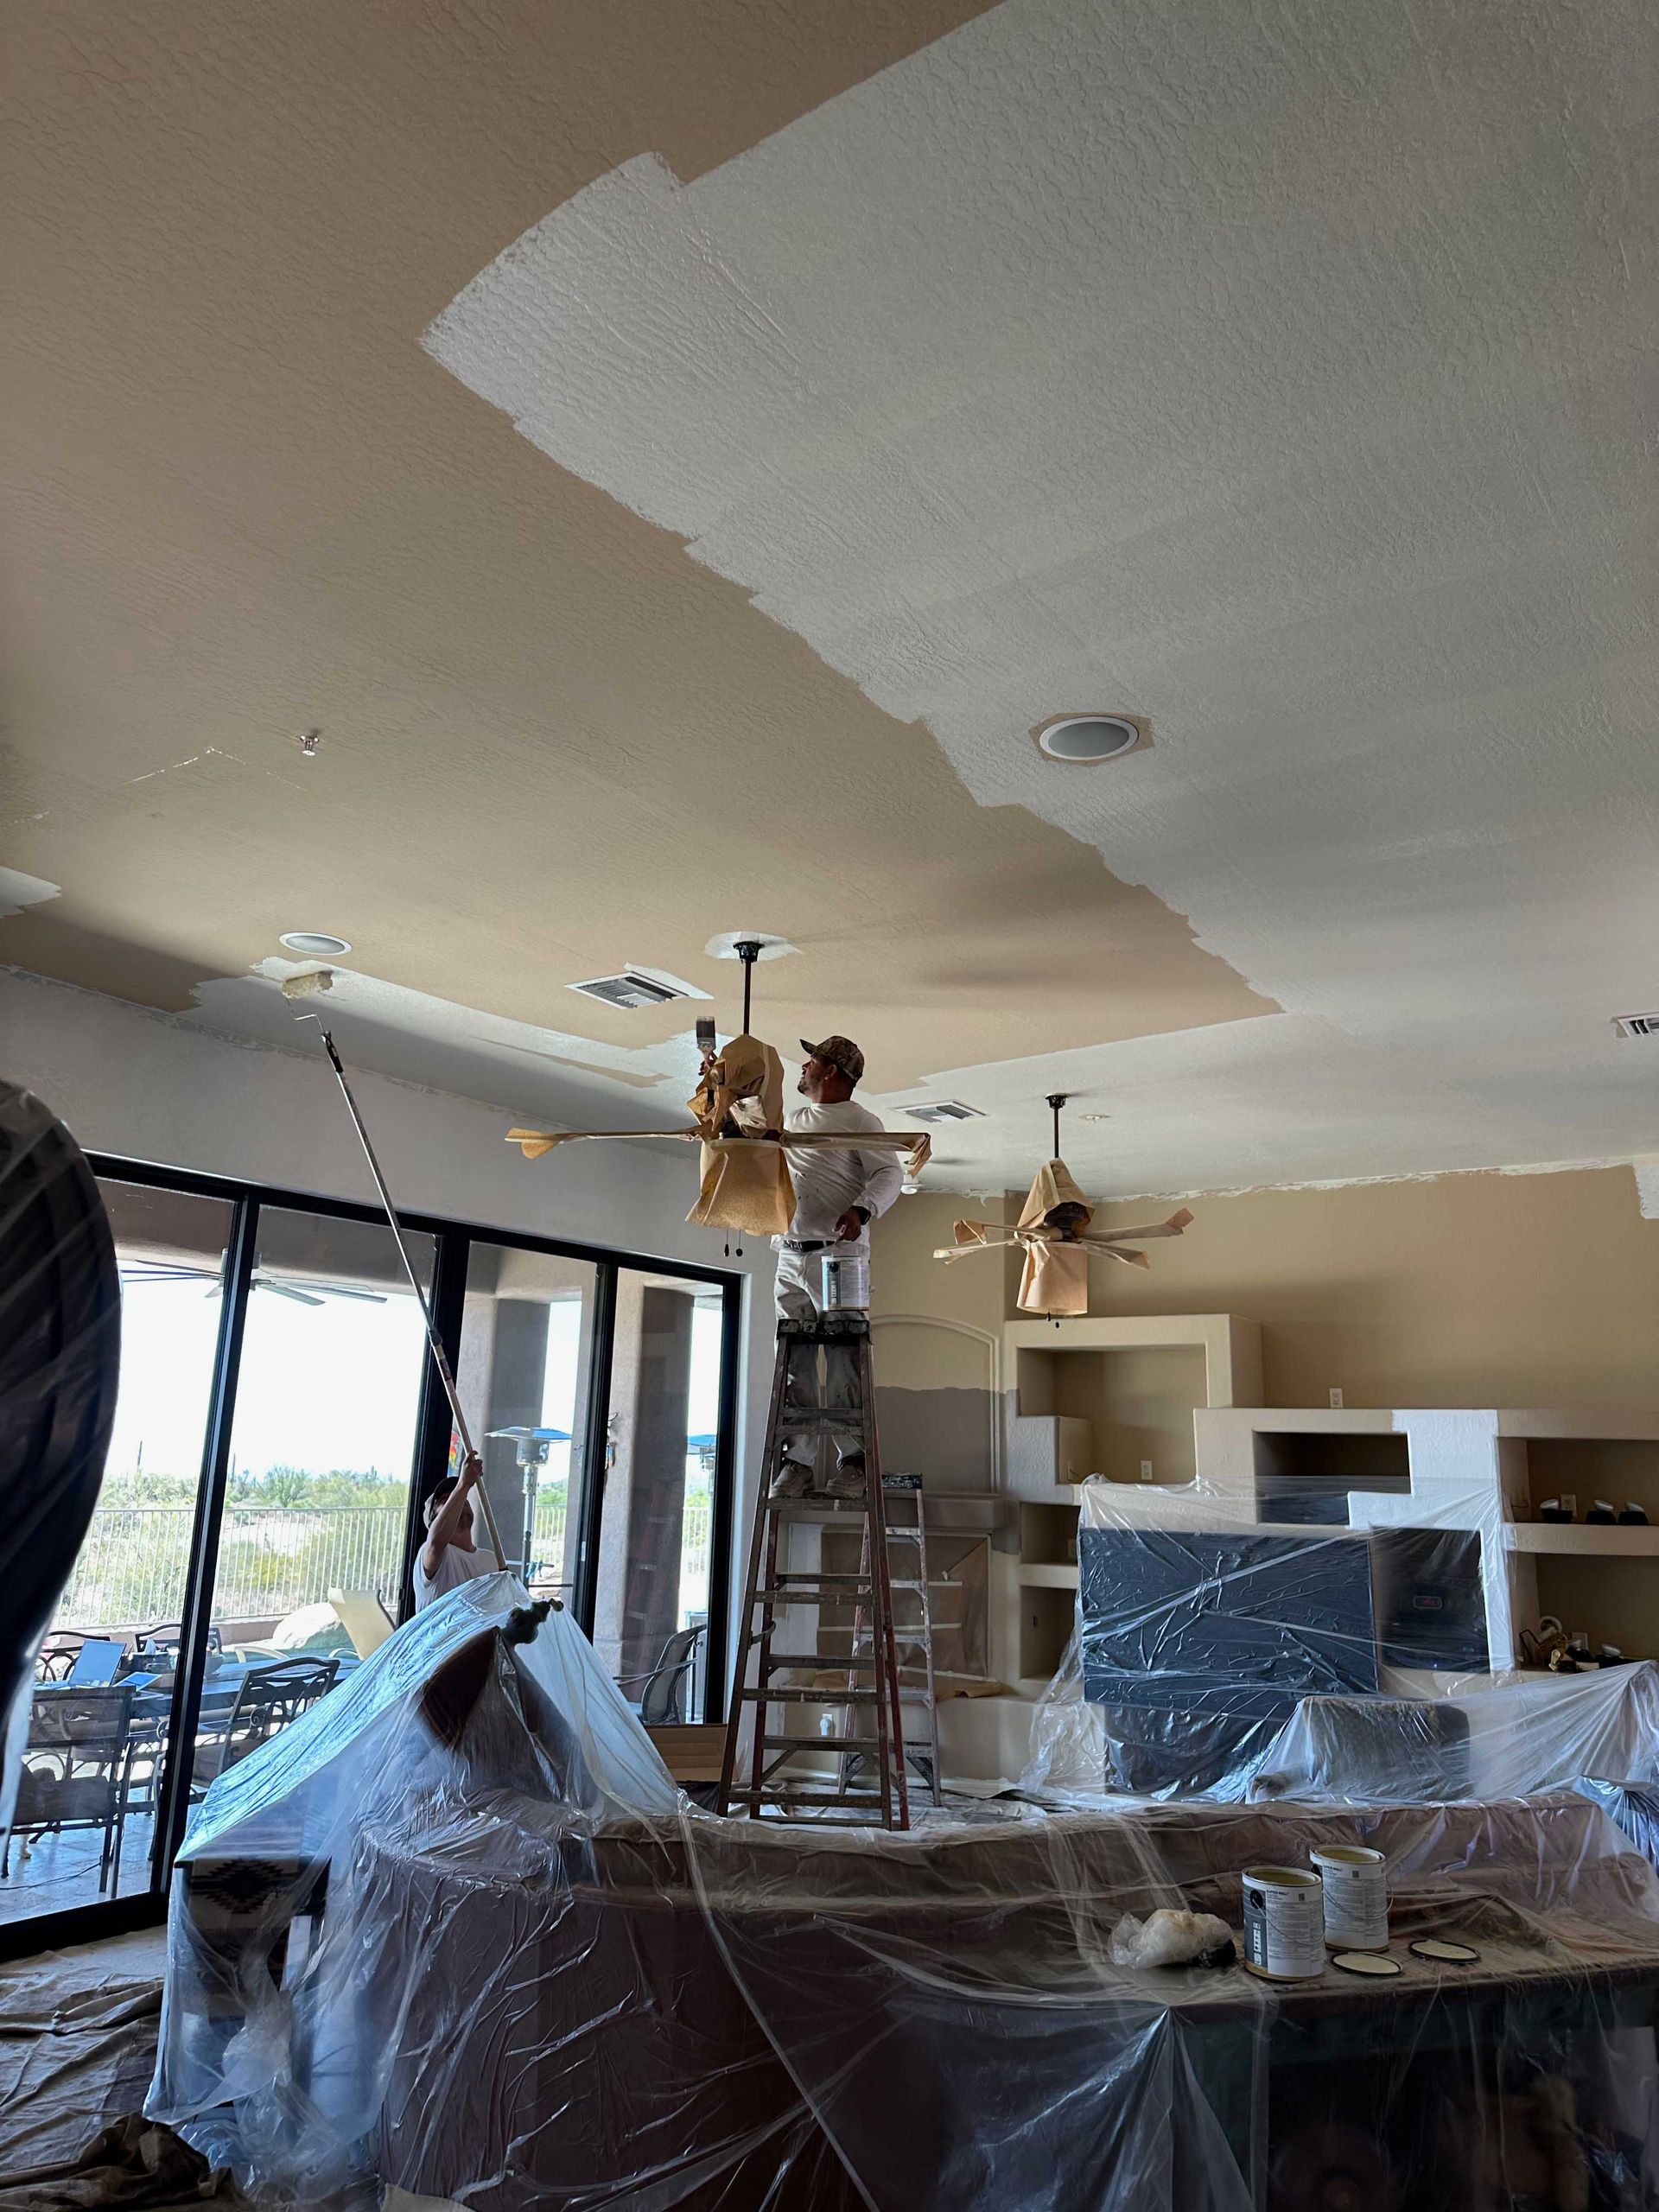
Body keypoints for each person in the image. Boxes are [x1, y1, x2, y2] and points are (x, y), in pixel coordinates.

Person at [772, 1035, 902, 1498]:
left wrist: (861, 1210)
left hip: (839, 1256)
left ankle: (854, 1461)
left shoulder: (861, 1121)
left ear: (831, 1071)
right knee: (796, 1360)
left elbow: (891, 1173)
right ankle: (799, 1463)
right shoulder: (793, 1119)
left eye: (812, 1061)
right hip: (790, 1253)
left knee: (845, 1357)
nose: (803, 1068)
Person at [413, 1449, 501, 1609]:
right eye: (446, 1500)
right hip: (445, 1635)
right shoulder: (432, 1554)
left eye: (462, 1498)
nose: (461, 1501)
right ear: (434, 1521)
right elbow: (436, 1541)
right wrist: (463, 1484)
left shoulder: (491, 1560)